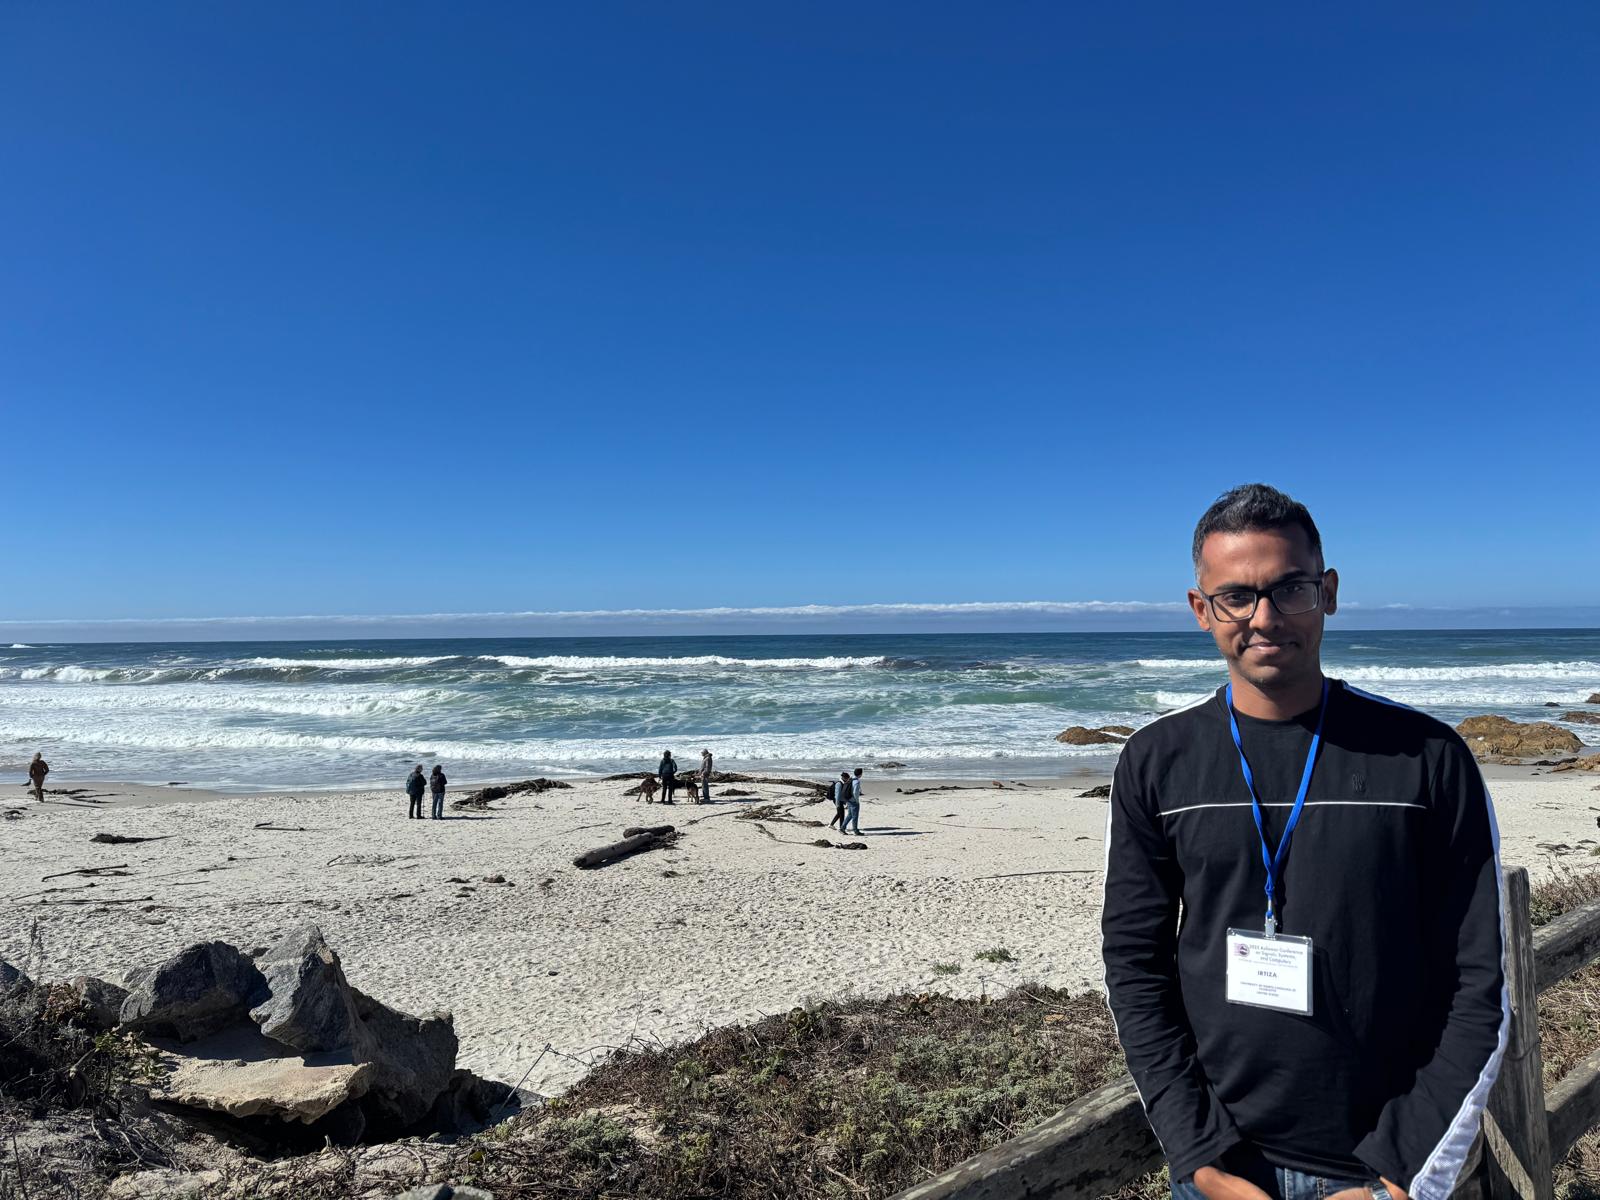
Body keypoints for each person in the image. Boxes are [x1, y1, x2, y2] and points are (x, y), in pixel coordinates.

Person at [1101, 483, 1506, 1200]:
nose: (1264, 617)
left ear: (1329, 592)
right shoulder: (1156, 761)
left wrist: (1400, 1176)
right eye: (1235, 596)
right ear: (1201, 609)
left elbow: (1480, 979)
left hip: (1381, 1170)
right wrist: (1198, 1153)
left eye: (1289, 588)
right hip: (1226, 1170)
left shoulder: (1426, 757)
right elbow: (1135, 965)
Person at [841, 766, 863, 835]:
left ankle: (842, 828)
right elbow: (855, 792)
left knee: (850, 815)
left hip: (848, 799)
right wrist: (857, 800)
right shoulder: (856, 781)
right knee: (855, 816)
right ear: (860, 774)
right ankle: (856, 831)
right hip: (853, 801)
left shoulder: (850, 779)